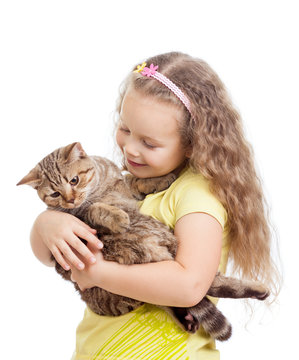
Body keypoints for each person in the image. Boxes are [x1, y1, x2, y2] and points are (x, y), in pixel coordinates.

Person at [30, 52, 280, 359]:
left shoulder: (197, 195)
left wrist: (98, 273)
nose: (130, 148)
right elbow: (50, 257)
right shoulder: (122, 185)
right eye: (125, 129)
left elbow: (189, 284)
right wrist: (46, 225)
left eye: (149, 143)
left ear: (192, 143)